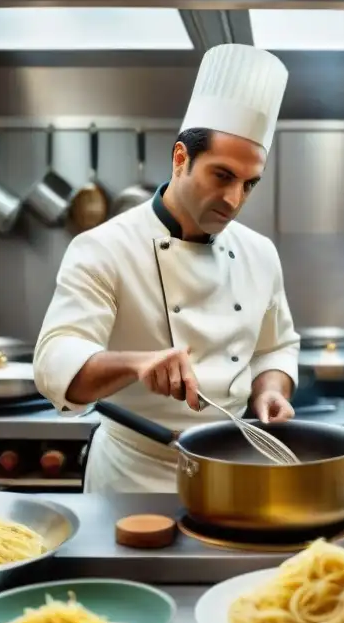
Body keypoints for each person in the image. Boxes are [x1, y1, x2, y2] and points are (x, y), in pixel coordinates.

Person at [33, 44, 300, 493]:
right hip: (132, 476)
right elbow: (54, 364)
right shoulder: (103, 248)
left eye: (248, 184)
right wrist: (137, 363)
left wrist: (270, 391)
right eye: (221, 176)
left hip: (233, 470)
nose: (234, 200)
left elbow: (275, 348)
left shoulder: (259, 253)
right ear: (181, 159)